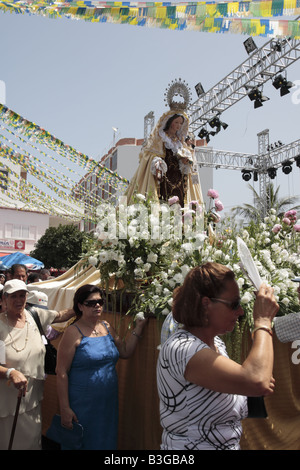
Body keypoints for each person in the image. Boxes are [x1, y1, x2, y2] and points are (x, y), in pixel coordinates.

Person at [157, 262, 279, 450]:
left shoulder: (215, 344)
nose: (240, 312)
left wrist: (249, 383)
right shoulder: (182, 349)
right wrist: (263, 321)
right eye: (234, 304)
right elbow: (256, 381)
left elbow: (252, 384)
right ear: (206, 303)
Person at [56, 284, 148, 450]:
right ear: (80, 306)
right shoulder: (73, 332)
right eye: (91, 303)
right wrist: (65, 408)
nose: (97, 305)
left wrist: (139, 328)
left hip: (107, 403)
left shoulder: (107, 327)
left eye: (100, 301)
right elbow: (61, 372)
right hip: (82, 404)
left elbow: (125, 351)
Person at [0, 279, 75, 450]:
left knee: (33, 442)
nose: (19, 300)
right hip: (7, 402)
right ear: (4, 299)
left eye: (22, 295)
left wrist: (81, 305)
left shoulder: (34, 315)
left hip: (33, 398)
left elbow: (61, 315)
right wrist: (10, 372)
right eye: (13, 296)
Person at [125, 84, 203, 208]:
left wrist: (186, 161)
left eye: (180, 123)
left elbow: (190, 167)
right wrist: (157, 162)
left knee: (180, 204)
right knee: (164, 202)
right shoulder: (160, 138)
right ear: (170, 122)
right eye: (176, 122)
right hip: (164, 178)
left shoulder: (181, 143)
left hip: (178, 179)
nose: (178, 125)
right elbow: (150, 156)